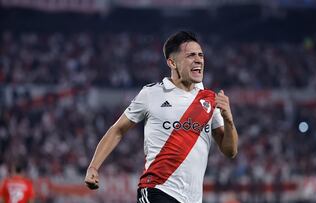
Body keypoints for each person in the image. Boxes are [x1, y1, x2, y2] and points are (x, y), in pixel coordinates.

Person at [84, 31, 238, 203]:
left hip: (193, 199)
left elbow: (230, 151)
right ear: (172, 62)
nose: (198, 59)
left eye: (200, 55)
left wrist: (229, 121)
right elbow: (118, 130)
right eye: (191, 55)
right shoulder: (152, 93)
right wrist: (93, 167)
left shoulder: (209, 99)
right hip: (157, 190)